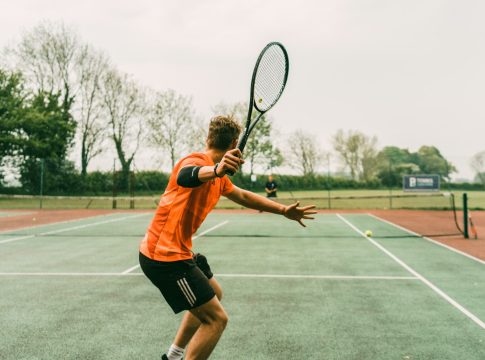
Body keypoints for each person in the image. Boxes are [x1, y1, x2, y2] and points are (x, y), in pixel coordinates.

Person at [139, 115, 317, 360]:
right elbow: (186, 176)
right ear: (235, 144)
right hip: (164, 259)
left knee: (215, 294)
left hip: (174, 251)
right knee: (216, 320)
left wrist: (283, 210)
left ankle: (173, 355)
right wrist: (215, 169)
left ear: (208, 138)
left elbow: (243, 196)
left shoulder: (219, 178)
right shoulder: (195, 162)